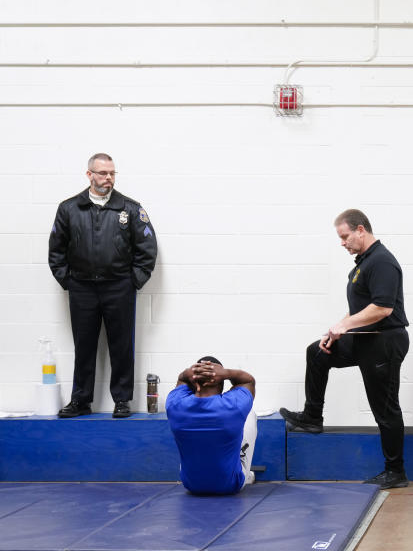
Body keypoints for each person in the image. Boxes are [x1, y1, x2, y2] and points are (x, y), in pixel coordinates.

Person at [280, 209, 410, 490]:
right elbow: (363, 307)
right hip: (365, 339)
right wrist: (341, 331)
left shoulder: (382, 261)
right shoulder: (363, 264)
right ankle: (312, 417)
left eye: (345, 236)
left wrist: (344, 324)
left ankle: (395, 471)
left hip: (383, 342)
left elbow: (383, 308)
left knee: (384, 409)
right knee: (318, 352)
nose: (342, 243)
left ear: (360, 230)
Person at [48, 153, 158, 419]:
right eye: (102, 173)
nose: (108, 178)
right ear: (89, 175)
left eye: (112, 173)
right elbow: (56, 250)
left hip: (119, 287)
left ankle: (122, 400)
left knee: (121, 346)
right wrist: (69, 281)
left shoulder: (130, 209)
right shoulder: (69, 208)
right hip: (82, 288)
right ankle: (81, 401)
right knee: (84, 346)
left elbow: (147, 249)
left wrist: (133, 281)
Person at [166, 357, 258, 495]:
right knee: (250, 413)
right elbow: (248, 381)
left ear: (193, 381)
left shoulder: (174, 405)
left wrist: (187, 373)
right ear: (221, 384)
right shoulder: (234, 406)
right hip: (230, 485)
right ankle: (245, 473)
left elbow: (182, 380)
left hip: (191, 484)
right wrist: (227, 373)